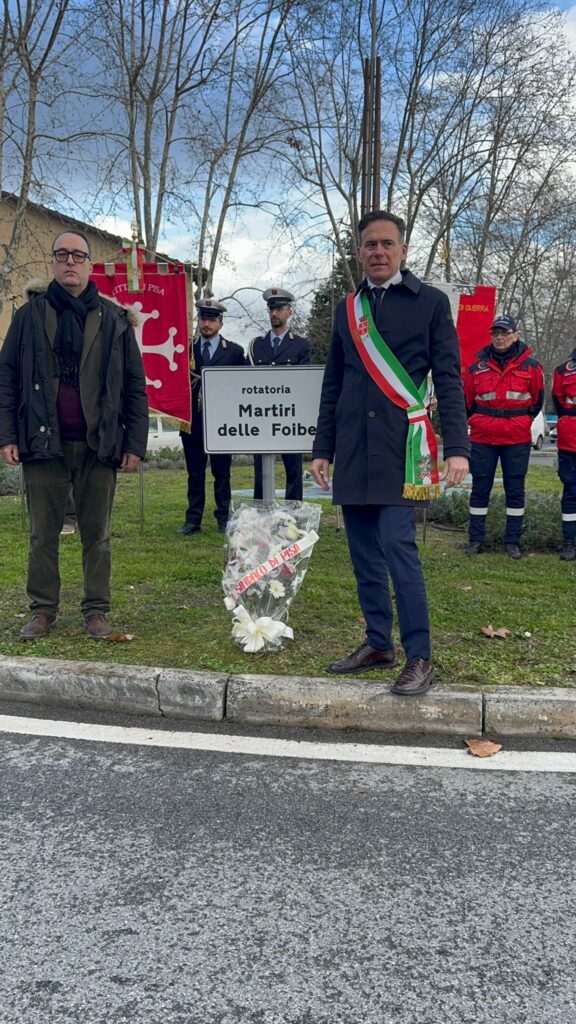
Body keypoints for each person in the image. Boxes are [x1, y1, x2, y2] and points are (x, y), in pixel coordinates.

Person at [310, 210, 469, 697]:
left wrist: (458, 448)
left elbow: (449, 379)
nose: (377, 252)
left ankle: (420, 655)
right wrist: (322, 448)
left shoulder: (431, 303)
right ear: (359, 253)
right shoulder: (348, 309)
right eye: (369, 245)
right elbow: (333, 383)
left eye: (386, 244)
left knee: (399, 549)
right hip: (354, 448)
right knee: (362, 553)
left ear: (402, 250)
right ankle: (378, 643)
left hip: (403, 448)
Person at [0, 229, 148, 639]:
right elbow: (7, 378)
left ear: (88, 265)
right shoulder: (29, 316)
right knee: (42, 534)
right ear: (52, 262)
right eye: (62, 254)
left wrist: (134, 443)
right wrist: (7, 435)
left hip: (99, 443)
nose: (70, 261)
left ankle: (96, 610)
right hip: (41, 442)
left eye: (78, 255)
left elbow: (134, 384)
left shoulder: (114, 319)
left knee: (96, 535)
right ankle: (42, 610)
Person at [464, 314, 543, 558]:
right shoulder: (476, 368)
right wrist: (478, 421)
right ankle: (476, 540)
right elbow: (468, 402)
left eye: (504, 333)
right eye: (495, 333)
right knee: (479, 488)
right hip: (483, 437)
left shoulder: (532, 367)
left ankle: (512, 542)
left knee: (515, 489)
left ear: (515, 336)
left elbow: (537, 400)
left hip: (516, 438)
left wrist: (521, 420)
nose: (499, 337)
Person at [178, 299, 246, 535]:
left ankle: (223, 518)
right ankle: (193, 519)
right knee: (195, 474)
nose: (206, 324)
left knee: (222, 474)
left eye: (211, 320)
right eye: (203, 319)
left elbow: (244, 387)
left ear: (220, 323)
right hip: (193, 422)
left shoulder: (234, 352)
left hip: (222, 424)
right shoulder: (186, 348)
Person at [248, 288, 311, 501]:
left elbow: (305, 384)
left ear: (289, 312)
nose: (274, 313)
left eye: (279, 309)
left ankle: (293, 510)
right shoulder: (257, 346)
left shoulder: (301, 346)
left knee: (293, 469)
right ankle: (260, 509)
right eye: (271, 309)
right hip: (262, 417)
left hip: (290, 416)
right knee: (261, 469)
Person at [552, 348, 576, 561]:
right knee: (571, 492)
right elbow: (559, 402)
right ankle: (570, 542)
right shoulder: (563, 370)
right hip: (571, 441)